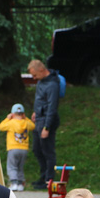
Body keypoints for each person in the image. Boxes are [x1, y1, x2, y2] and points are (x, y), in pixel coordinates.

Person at [28, 59, 61, 189]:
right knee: (37, 149)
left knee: (48, 151)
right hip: (39, 118)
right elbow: (40, 99)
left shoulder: (53, 85)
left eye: (35, 75)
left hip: (48, 121)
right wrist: (35, 112)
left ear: (42, 70)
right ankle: (43, 176)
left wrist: (47, 127)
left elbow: (52, 107)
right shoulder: (41, 82)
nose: (34, 78)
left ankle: (49, 180)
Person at [0, 103, 35, 191]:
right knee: (20, 166)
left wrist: (7, 118)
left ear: (12, 114)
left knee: (12, 166)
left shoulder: (10, 123)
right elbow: (33, 126)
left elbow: (1, 127)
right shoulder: (26, 122)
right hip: (24, 149)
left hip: (13, 148)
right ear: (23, 114)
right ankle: (20, 184)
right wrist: (25, 118)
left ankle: (14, 183)